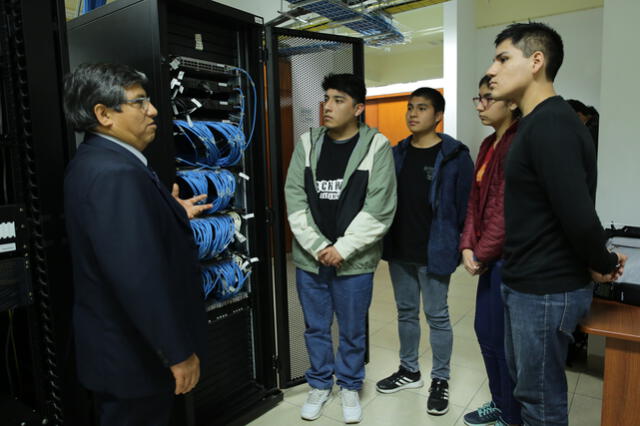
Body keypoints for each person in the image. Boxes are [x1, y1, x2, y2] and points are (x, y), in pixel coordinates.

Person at [485, 23, 627, 425]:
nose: (492, 70)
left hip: (547, 288)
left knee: (540, 401)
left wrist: (600, 260)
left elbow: (577, 213)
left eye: (502, 58)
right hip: (526, 281)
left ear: (536, 61)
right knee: (528, 390)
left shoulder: (551, 123)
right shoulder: (533, 123)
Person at [63, 63, 210, 426]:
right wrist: (178, 354)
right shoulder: (117, 173)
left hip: (120, 355)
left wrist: (170, 212)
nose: (154, 110)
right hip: (134, 358)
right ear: (103, 114)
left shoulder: (97, 161)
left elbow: (120, 239)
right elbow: (137, 278)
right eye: (139, 102)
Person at [284, 73, 396, 424]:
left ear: (358, 108)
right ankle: (319, 383)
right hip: (310, 258)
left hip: (354, 262)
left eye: (338, 100)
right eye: (326, 99)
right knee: (316, 327)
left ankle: (349, 385)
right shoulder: (308, 142)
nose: (328, 107)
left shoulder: (377, 145)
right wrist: (319, 246)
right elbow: (294, 197)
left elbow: (380, 207)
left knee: (351, 329)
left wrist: (342, 249)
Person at [375, 87, 473, 416]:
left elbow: (467, 206)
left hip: (436, 250)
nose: (413, 114)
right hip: (400, 248)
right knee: (405, 312)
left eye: (422, 108)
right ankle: (409, 370)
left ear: (438, 116)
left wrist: (463, 244)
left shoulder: (455, 156)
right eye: (410, 108)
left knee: (438, 316)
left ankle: (440, 379)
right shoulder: (396, 153)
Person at [460, 75, 521, 426]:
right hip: (487, 257)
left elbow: (504, 208)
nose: (481, 105)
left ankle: (512, 415)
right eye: (478, 98)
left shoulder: (518, 142)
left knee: (503, 341)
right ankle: (499, 404)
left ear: (511, 103)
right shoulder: (487, 145)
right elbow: (475, 203)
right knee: (485, 332)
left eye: (488, 98)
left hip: (507, 259)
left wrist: (481, 252)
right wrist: (467, 244)